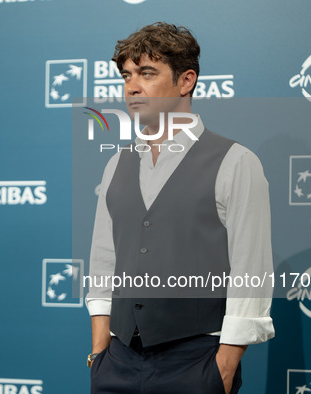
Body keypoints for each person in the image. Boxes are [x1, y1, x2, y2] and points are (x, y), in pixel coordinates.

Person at [85, 22, 275, 394]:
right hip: (117, 362)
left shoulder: (235, 161)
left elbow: (252, 270)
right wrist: (99, 353)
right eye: (126, 75)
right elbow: (103, 262)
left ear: (186, 80)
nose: (132, 86)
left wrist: (223, 366)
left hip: (195, 362)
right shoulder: (116, 165)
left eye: (147, 73)